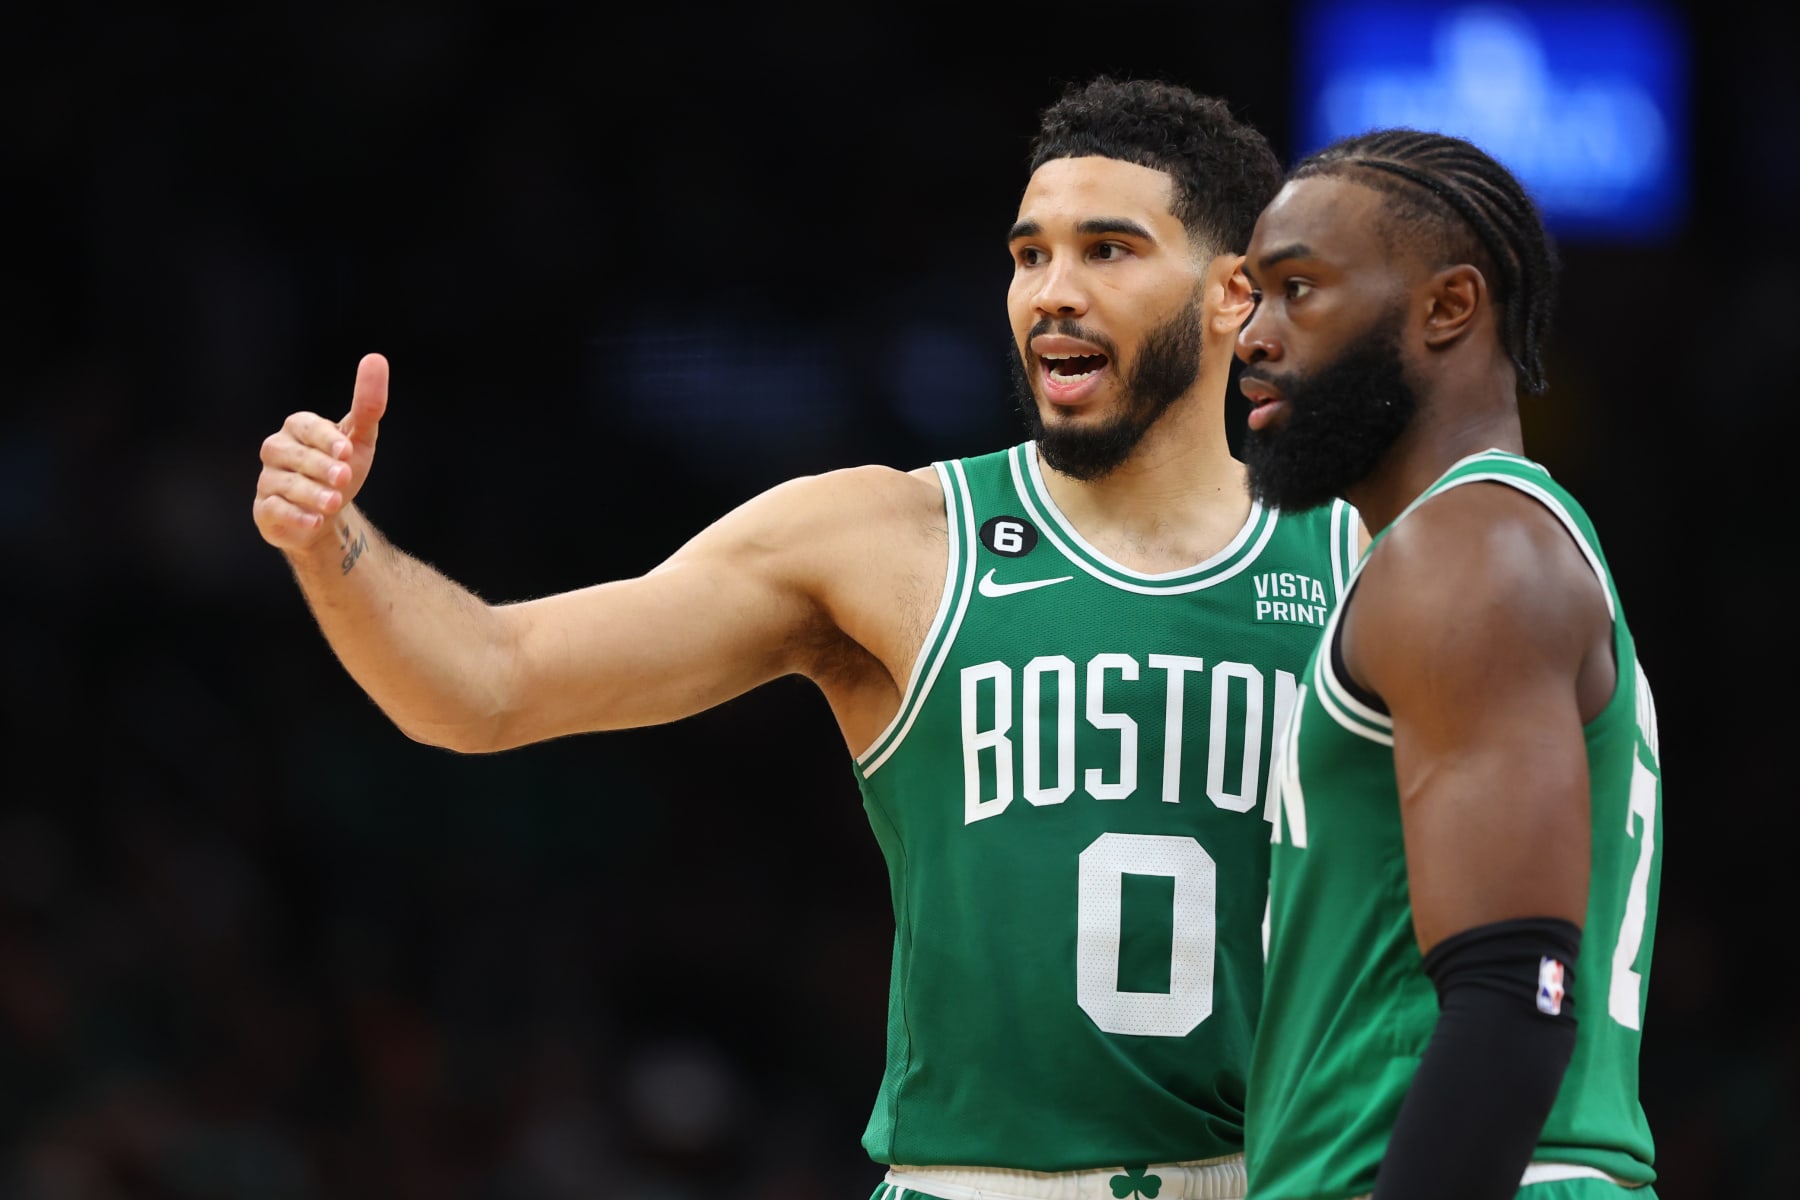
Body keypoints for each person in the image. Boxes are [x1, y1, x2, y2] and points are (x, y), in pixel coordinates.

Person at [253, 77, 1364, 1199]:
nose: (1053, 294)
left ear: (1234, 294)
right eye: (1030, 256)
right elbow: (488, 683)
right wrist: (334, 547)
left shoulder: (1368, 565)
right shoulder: (888, 539)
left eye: (1108, 252)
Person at [1233, 128, 1663, 1200]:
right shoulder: (1481, 547)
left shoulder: (1466, 554)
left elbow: (1518, 990)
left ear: (1448, 308)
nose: (1250, 334)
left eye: (1298, 289)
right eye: (1249, 295)